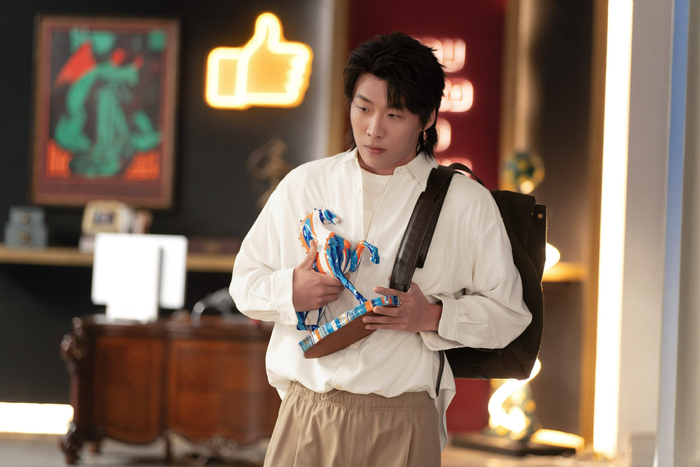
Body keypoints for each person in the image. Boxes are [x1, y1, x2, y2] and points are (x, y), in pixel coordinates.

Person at [230, 32, 531, 467]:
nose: (374, 129)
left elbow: (509, 315)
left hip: (403, 417)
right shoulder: (305, 184)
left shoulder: (465, 202)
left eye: (394, 114)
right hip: (307, 411)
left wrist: (432, 316)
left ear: (427, 118)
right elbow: (244, 284)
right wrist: (290, 289)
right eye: (363, 108)